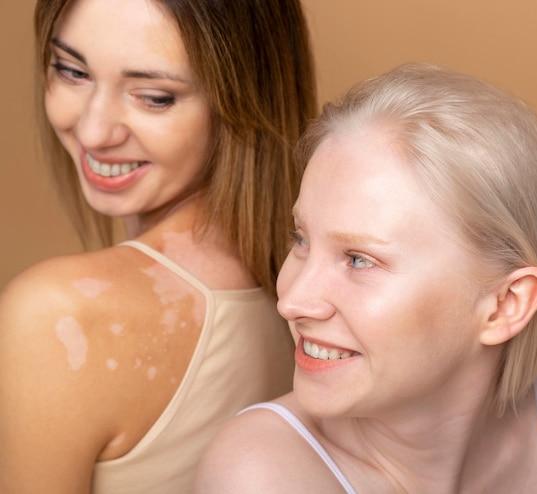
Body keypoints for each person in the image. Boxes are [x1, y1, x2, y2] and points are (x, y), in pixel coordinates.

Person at [195, 64, 537, 493]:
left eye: (359, 260)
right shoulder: (260, 474)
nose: (292, 301)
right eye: (300, 239)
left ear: (505, 304)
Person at [0, 0, 316, 492]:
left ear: (245, 95)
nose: (93, 130)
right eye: (71, 70)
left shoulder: (60, 313)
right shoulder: (311, 297)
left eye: (154, 97)